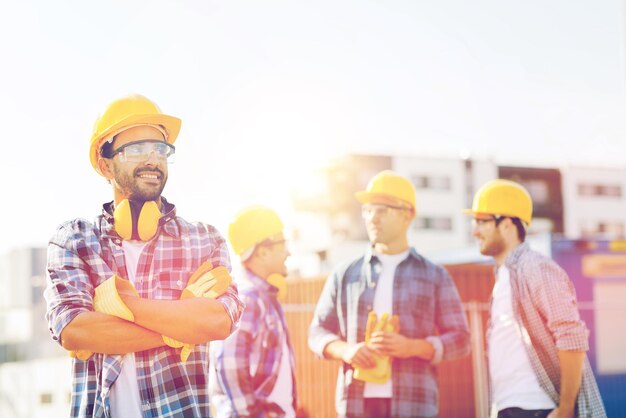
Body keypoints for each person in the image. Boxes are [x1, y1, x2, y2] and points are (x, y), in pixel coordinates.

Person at [44, 94, 244, 417]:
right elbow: (74, 331)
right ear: (105, 164)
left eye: (161, 149)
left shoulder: (204, 240)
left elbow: (219, 321)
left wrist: (125, 308)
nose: (153, 158)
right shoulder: (74, 240)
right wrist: (182, 325)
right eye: (137, 149)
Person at [308, 170, 470, 418]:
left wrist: (412, 347)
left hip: (414, 404)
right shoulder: (344, 274)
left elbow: (461, 339)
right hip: (356, 405)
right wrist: (347, 351)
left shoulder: (435, 276)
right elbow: (317, 332)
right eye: (368, 210)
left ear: (408, 214)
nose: (372, 218)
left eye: (382, 210)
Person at [465, 179, 606, 418]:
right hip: (509, 407)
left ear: (507, 225)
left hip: (536, 408)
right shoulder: (503, 277)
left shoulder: (535, 267)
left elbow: (571, 335)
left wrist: (564, 408)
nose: (475, 230)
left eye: (482, 221)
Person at [209, 205, 297, 417]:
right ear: (263, 252)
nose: (289, 252)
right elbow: (230, 365)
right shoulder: (249, 299)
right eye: (283, 244)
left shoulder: (265, 297)